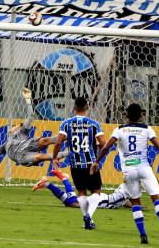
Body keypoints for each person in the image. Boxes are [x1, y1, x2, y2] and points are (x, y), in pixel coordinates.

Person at [90, 103, 159, 245]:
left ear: (126, 115)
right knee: (156, 198)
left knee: (135, 203)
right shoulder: (147, 129)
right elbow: (157, 144)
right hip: (145, 168)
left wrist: (96, 161)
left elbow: (106, 147)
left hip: (129, 171)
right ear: (141, 115)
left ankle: (143, 234)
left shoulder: (119, 130)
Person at [52, 97, 106, 230]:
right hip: (90, 164)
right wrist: (98, 153)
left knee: (81, 192)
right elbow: (104, 144)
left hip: (75, 164)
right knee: (96, 191)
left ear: (74, 108)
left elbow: (58, 142)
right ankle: (89, 215)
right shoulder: (94, 124)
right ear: (87, 107)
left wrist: (54, 158)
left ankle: (87, 219)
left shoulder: (66, 123)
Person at [0, 88, 68, 166]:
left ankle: (70, 135)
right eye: (15, 126)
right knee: (41, 157)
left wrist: (28, 100)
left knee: (45, 140)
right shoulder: (4, 146)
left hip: (29, 145)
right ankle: (69, 153)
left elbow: (31, 116)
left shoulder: (22, 132)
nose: (14, 127)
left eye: (17, 126)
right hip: (22, 157)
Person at [33, 171, 132, 209]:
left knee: (69, 202)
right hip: (104, 201)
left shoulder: (125, 186)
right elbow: (129, 199)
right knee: (74, 203)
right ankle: (64, 178)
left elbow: (126, 202)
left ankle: (46, 184)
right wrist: (137, 207)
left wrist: (133, 206)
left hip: (104, 198)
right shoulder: (131, 188)